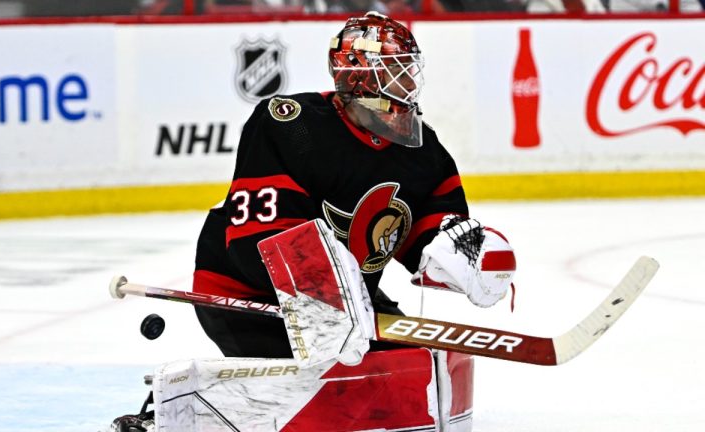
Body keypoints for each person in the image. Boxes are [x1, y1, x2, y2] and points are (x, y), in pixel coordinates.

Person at [111, 12, 515, 432]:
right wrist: (324, 297)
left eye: (410, 70)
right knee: (319, 383)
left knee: (408, 367)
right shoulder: (293, 125)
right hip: (250, 294)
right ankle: (166, 418)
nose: (409, 83)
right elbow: (257, 238)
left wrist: (463, 258)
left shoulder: (425, 150)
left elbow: (430, 237)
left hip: (349, 302)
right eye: (395, 71)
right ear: (357, 77)